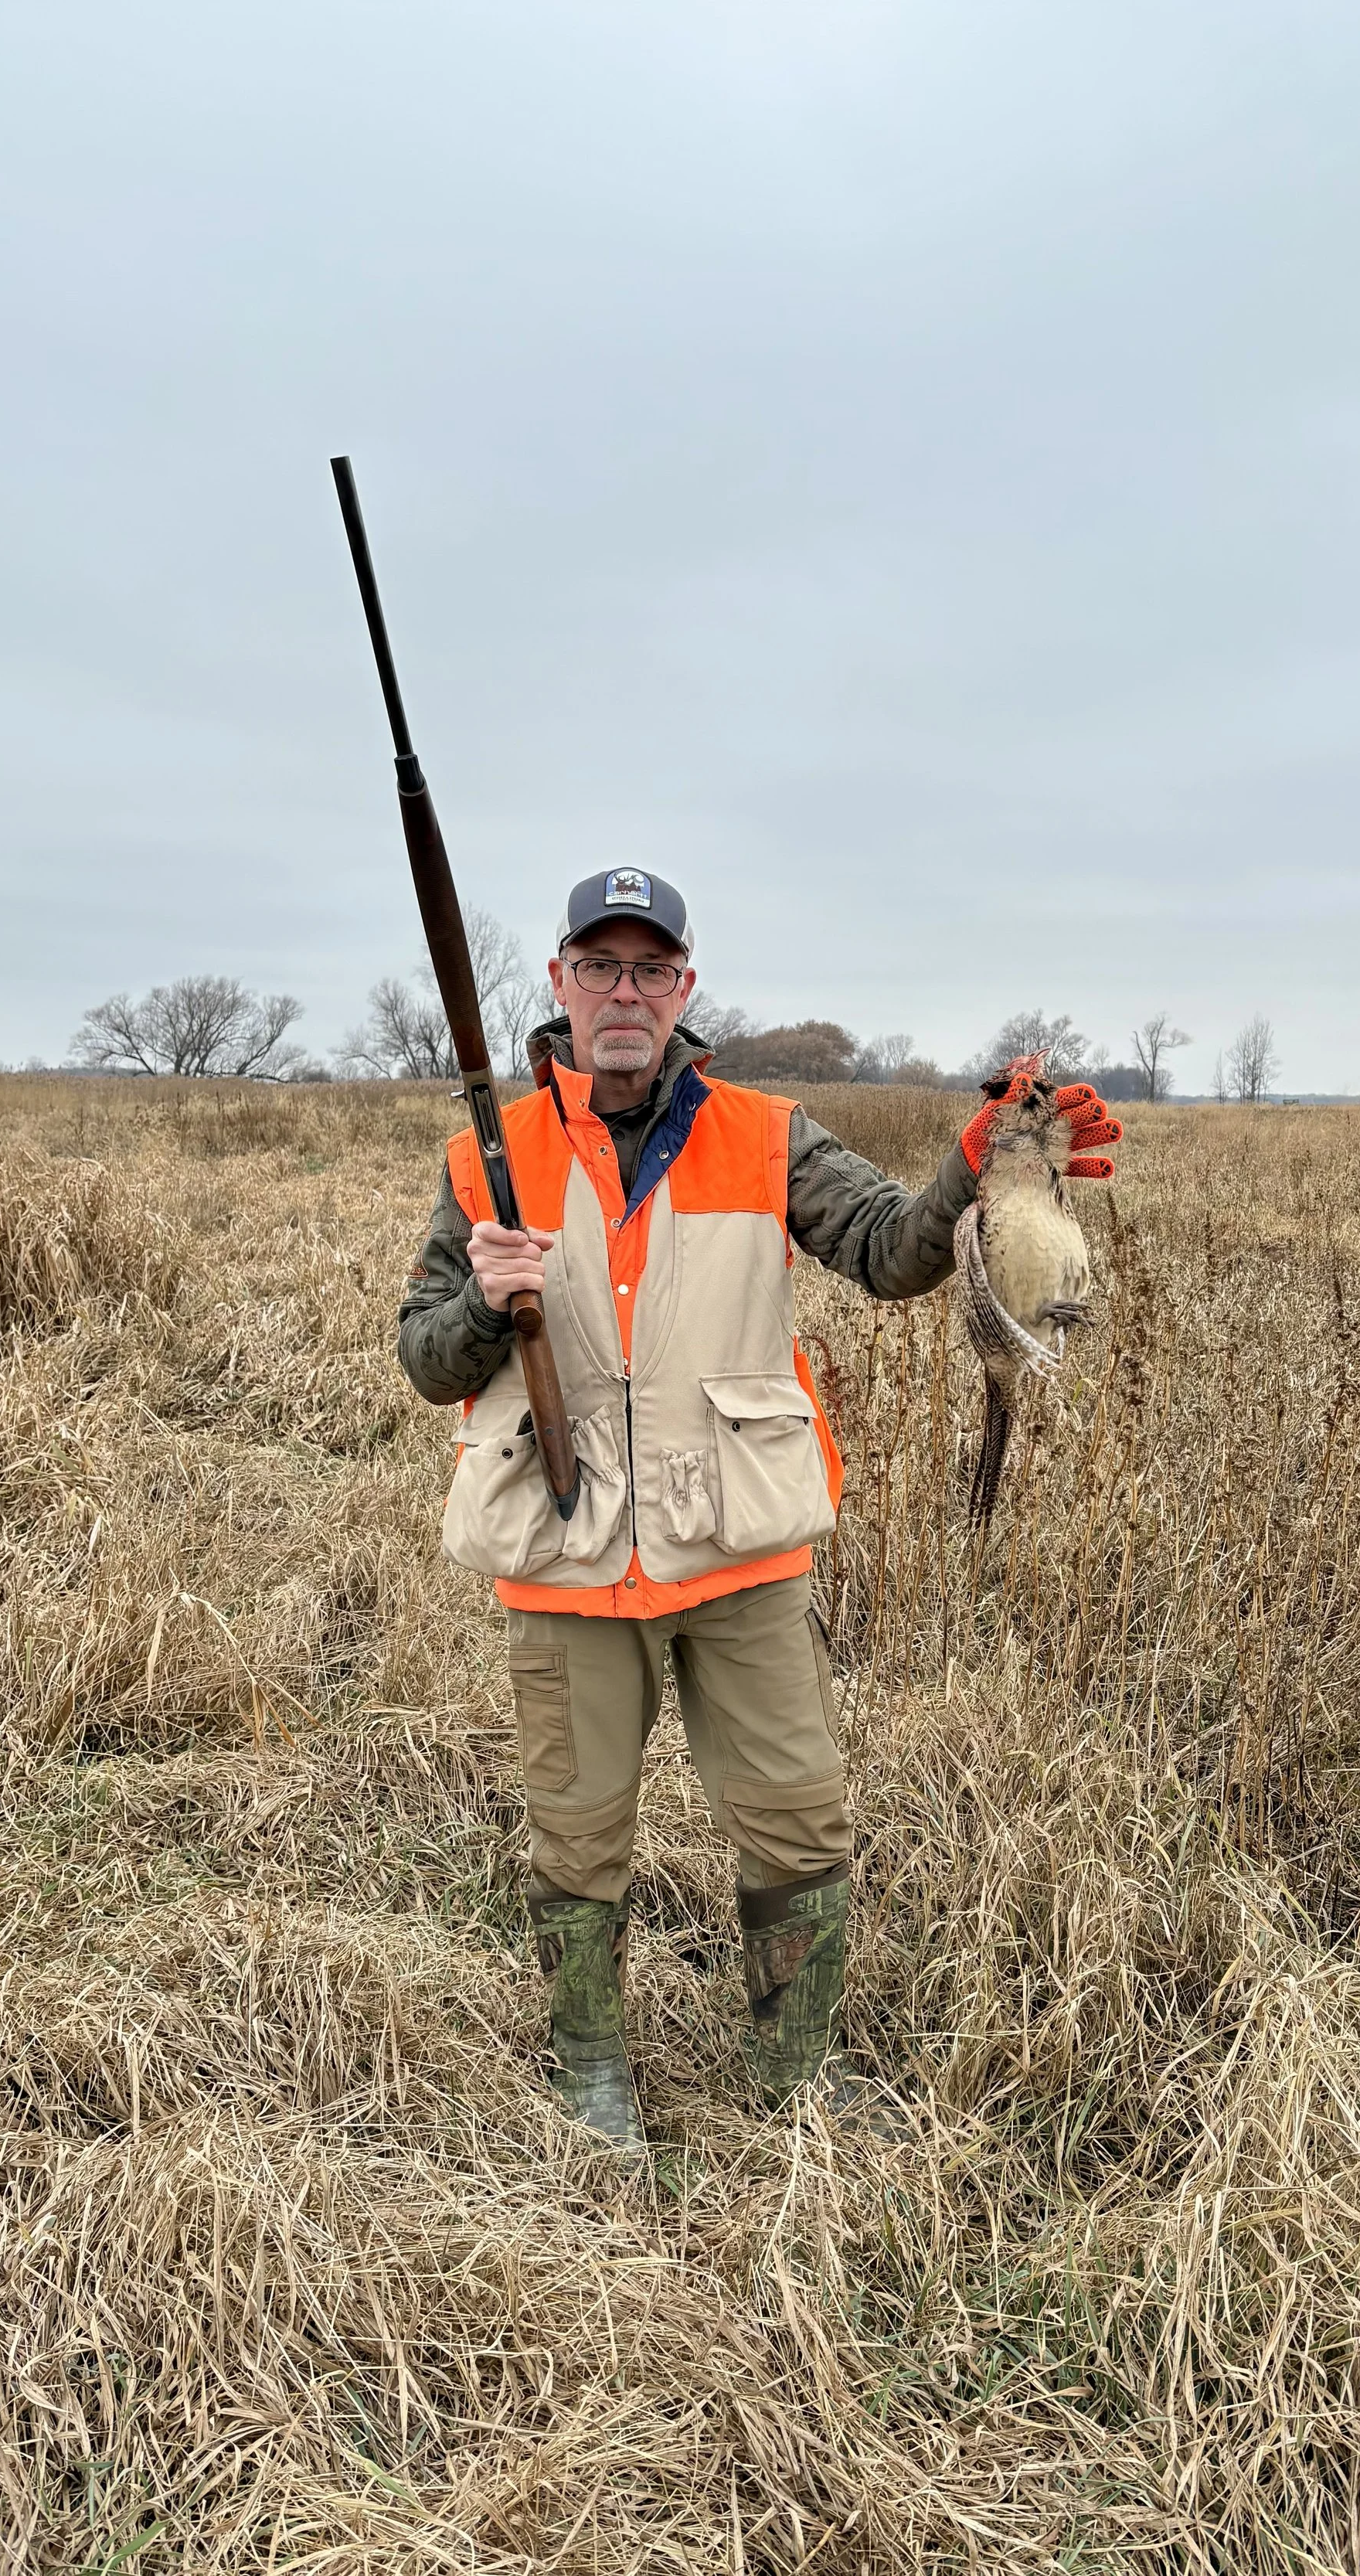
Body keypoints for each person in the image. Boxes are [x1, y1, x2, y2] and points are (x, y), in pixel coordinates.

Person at [398, 868, 1117, 2147]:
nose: (627, 993)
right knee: (576, 1838)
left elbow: (894, 1254)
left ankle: (795, 2071)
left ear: (685, 988)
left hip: (736, 1550)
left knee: (797, 1818)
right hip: (564, 1554)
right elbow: (426, 1363)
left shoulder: (766, 1133)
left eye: (652, 970)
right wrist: (480, 1301)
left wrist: (977, 1168)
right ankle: (592, 2071)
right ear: (558, 982)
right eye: (601, 967)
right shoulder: (482, 1155)